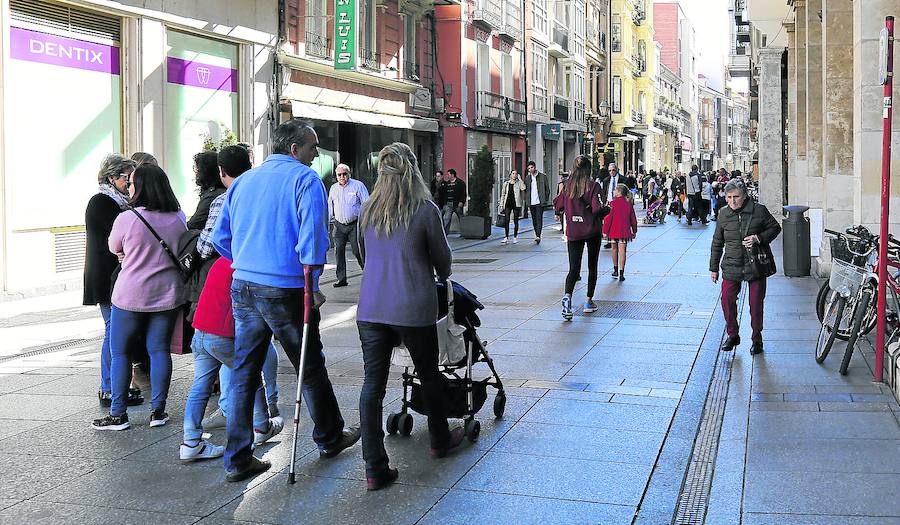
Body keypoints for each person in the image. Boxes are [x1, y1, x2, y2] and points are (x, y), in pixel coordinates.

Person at [212, 119, 359, 483]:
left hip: (244, 285)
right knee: (308, 364)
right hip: (285, 289)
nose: (315, 155)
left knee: (244, 371)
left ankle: (237, 457)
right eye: (312, 148)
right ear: (294, 149)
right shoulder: (305, 180)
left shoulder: (244, 181)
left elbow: (220, 237)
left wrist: (248, 259)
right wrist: (312, 283)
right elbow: (312, 241)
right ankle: (328, 435)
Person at [355, 142, 464, 492]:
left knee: (372, 386)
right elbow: (444, 263)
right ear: (414, 171)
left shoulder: (367, 210)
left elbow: (361, 256)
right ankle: (439, 439)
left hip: (371, 308)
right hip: (412, 307)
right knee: (429, 373)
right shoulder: (425, 210)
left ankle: (374, 468)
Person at [92, 165, 187, 431]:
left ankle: (118, 414)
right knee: (159, 351)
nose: (130, 187)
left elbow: (114, 247)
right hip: (167, 294)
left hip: (130, 294)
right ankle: (158, 411)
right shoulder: (178, 216)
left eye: (132, 183)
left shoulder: (127, 218)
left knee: (120, 352)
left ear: (141, 187)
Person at [194, 145, 282, 428]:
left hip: (232, 276)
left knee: (237, 346)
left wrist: (234, 257)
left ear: (221, 172)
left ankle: (239, 414)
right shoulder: (265, 189)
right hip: (267, 274)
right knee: (262, 340)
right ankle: (270, 402)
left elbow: (210, 243)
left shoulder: (225, 198)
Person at [180, 256, 281, 462]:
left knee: (200, 387)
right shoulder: (246, 265)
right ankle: (261, 425)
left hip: (200, 332)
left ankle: (190, 442)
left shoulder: (222, 261)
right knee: (252, 377)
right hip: (222, 336)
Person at [84, 154, 144, 409]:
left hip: (115, 275)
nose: (129, 184)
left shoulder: (116, 201)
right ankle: (108, 387)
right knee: (113, 331)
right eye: (126, 178)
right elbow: (118, 240)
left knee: (117, 331)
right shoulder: (102, 202)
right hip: (105, 277)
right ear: (112, 177)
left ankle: (115, 385)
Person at [710, 178, 782, 355]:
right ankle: (733, 335)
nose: (732, 201)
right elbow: (717, 241)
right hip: (732, 263)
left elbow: (775, 227)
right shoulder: (723, 214)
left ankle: (757, 339)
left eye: (736, 197)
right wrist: (713, 267)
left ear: (745, 196)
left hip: (755, 264)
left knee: (755, 304)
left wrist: (759, 238)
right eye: (728, 197)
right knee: (727, 298)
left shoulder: (759, 210)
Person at [554, 156, 607, 320]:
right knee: (592, 266)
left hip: (574, 231)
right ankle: (588, 302)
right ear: (589, 169)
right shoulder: (593, 186)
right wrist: (608, 209)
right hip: (592, 231)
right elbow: (598, 209)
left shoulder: (568, 186)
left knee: (573, 269)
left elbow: (558, 205)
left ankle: (567, 297)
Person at [329, 163, 369, 287]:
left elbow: (366, 204)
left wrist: (366, 222)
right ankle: (341, 279)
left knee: (358, 251)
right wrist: (327, 221)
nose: (342, 177)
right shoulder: (334, 188)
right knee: (338, 251)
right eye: (339, 174)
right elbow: (330, 206)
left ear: (349, 174)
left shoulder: (358, 186)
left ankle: (368, 275)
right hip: (339, 225)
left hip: (354, 224)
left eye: (344, 174)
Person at [603, 184, 638, 282]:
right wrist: (634, 230)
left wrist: (605, 231)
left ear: (618, 192)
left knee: (614, 249)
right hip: (624, 231)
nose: (613, 191)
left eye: (614, 190)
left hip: (613, 230)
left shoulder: (612, 204)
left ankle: (615, 270)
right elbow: (633, 219)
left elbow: (608, 218)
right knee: (623, 251)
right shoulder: (628, 204)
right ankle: (622, 272)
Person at [188, 151, 226, 230]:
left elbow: (194, 224)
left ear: (204, 171)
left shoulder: (211, 196)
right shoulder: (223, 191)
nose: (195, 173)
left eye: (197, 169)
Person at [524, 161, 551, 244]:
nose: (530, 169)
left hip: (540, 202)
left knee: (539, 218)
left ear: (535, 167)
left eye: (531, 167)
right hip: (531, 202)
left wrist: (545, 199)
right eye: (529, 168)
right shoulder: (527, 178)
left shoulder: (543, 176)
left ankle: (538, 235)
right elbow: (525, 190)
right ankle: (536, 234)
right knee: (534, 219)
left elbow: (547, 189)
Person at [499, 170, 525, 244]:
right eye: (513, 174)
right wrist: (501, 204)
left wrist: (520, 179)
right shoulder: (506, 184)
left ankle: (515, 237)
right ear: (510, 175)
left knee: (516, 220)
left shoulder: (519, 183)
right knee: (506, 220)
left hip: (516, 204)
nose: (514, 175)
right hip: (507, 204)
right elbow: (503, 195)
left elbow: (523, 188)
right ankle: (506, 237)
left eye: (516, 174)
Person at [437, 168, 466, 233]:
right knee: (446, 218)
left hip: (457, 203)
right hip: (448, 204)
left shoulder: (460, 183)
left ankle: (464, 232)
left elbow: (463, 193)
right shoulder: (446, 184)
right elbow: (442, 193)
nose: (447, 176)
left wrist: (462, 201)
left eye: (448, 174)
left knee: (461, 218)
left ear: (452, 175)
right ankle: (444, 233)